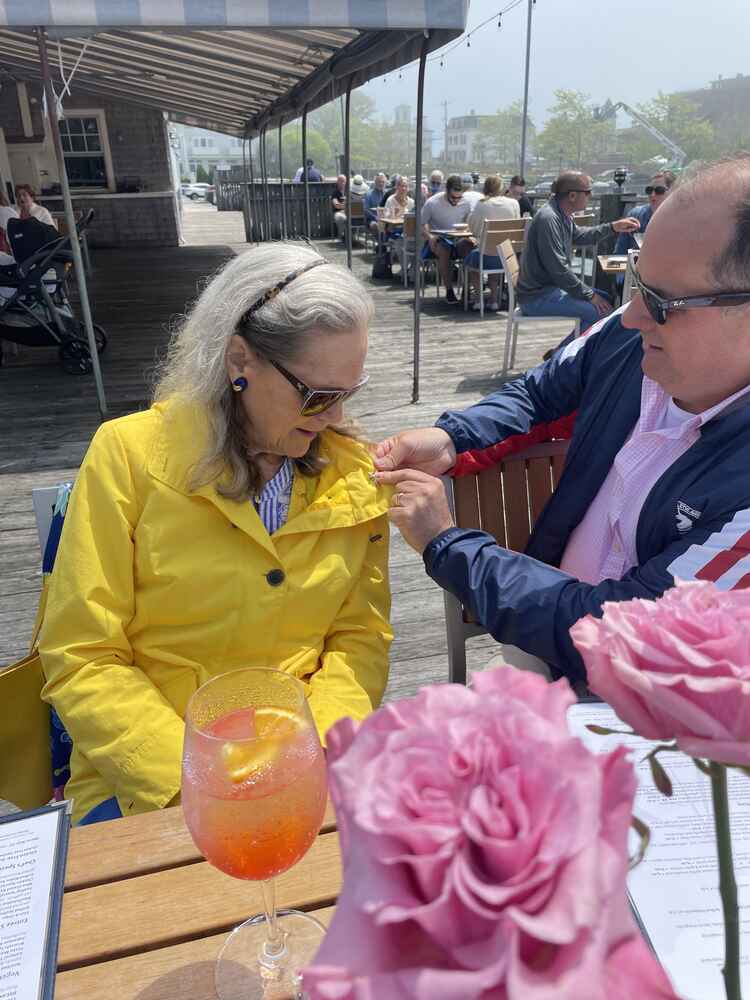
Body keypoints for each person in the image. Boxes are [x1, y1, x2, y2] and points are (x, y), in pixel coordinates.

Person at [38, 243, 392, 825]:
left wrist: (310, 755)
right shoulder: (127, 456)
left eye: (348, 393)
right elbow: (82, 656)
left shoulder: (352, 477)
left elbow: (361, 640)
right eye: (316, 395)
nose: (333, 418)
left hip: (305, 770)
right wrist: (197, 779)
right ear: (238, 362)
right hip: (148, 784)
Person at [372, 154, 750, 690]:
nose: (634, 314)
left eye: (664, 302)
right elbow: (539, 391)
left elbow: (612, 634)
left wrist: (446, 541)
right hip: (539, 627)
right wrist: (452, 438)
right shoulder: (627, 334)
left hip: (639, 709)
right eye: (639, 284)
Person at [518, 171, 639, 330]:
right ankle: (564, 353)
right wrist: (590, 295)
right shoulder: (549, 219)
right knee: (602, 313)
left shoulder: (561, 214)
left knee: (608, 300)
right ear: (573, 196)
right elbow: (559, 269)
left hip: (549, 290)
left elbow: (579, 236)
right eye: (588, 192)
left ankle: (563, 350)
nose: (590, 196)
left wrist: (613, 227)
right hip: (537, 298)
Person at [465, 174, 520, 311]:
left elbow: (474, 229)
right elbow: (517, 227)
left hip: (486, 256)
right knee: (496, 250)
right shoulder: (513, 203)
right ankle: (494, 299)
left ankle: (478, 299)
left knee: (473, 257)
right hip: (507, 258)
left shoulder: (482, 204)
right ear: (501, 188)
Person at [421, 174, 473, 305]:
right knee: (444, 250)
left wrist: (469, 232)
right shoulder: (432, 203)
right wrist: (430, 237)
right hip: (438, 240)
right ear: (446, 191)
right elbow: (421, 225)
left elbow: (470, 222)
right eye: (453, 197)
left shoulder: (466, 203)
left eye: (459, 197)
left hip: (459, 239)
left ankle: (467, 290)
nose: (456, 201)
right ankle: (449, 290)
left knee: (470, 248)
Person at [614, 171, 676, 255]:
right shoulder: (634, 216)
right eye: (649, 190)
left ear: (673, 192)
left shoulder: (682, 220)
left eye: (659, 190)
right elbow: (620, 253)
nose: (652, 194)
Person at [331, 174, 348, 241]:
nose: (342, 183)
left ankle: (351, 236)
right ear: (337, 182)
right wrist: (346, 206)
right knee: (341, 217)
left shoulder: (348, 192)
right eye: (341, 181)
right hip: (338, 212)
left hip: (348, 211)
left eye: (344, 181)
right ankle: (341, 236)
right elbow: (336, 205)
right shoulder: (335, 193)